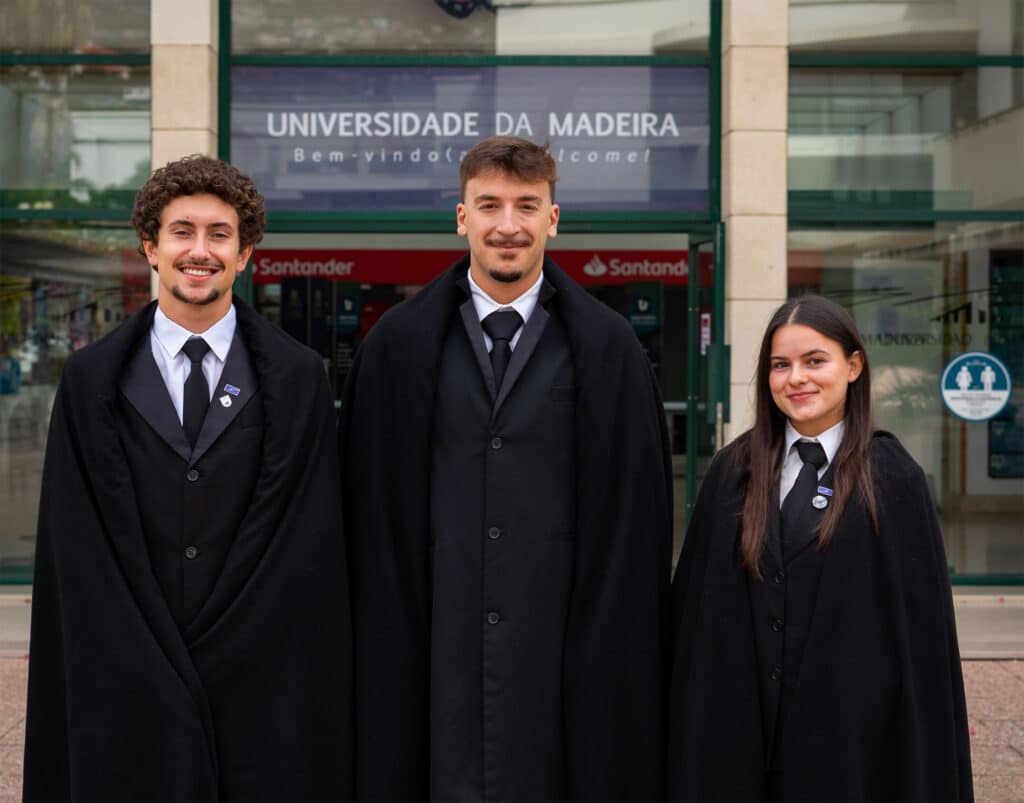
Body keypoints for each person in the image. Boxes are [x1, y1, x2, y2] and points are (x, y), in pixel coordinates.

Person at [340, 136, 673, 802]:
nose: (508, 225)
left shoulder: (611, 352)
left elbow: (639, 520)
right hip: (433, 648)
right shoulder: (396, 347)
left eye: (527, 205)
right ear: (461, 216)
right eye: (488, 204)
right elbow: (364, 509)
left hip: (559, 650)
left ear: (554, 218)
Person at [23, 155, 353, 801]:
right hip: (129, 686)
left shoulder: (297, 379)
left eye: (219, 233)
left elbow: (311, 550)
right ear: (150, 245)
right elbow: (74, 552)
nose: (198, 251)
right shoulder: (90, 383)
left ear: (245, 252)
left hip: (259, 692)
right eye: (181, 231)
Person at [667, 294, 973, 801]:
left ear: (853, 366)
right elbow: (696, 619)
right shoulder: (731, 472)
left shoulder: (893, 480)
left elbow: (920, 644)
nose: (796, 379)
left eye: (815, 361)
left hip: (852, 751)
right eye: (780, 365)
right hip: (738, 745)